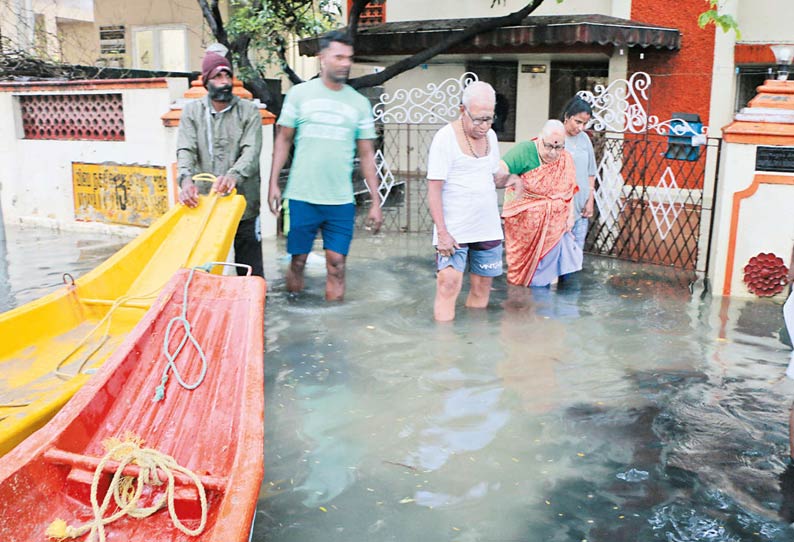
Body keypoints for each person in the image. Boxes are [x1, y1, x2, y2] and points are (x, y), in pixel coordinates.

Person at [267, 30, 383, 301]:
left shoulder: (358, 103)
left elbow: (367, 155)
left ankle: (333, 331)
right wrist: (273, 183)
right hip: (301, 197)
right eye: (338, 57)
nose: (345, 63)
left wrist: (376, 201)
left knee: (337, 265)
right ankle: (295, 321)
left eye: (349, 58)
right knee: (297, 261)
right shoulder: (299, 95)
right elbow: (283, 139)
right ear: (322, 58)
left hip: (340, 201)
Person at [426, 81, 513, 322]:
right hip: (454, 228)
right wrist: (442, 232)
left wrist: (514, 179)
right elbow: (434, 190)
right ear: (462, 110)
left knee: (482, 287)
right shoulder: (444, 139)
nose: (484, 126)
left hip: (486, 226)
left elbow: (493, 177)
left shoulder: (491, 137)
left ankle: (475, 343)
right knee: (448, 284)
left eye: (489, 118)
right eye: (478, 119)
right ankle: (444, 349)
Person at [176, 43, 264, 277]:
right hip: (206, 203)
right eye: (217, 76)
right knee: (205, 267)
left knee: (250, 271)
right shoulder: (192, 113)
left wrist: (233, 175)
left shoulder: (249, 111)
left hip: (244, 203)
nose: (224, 82)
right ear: (206, 82)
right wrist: (185, 180)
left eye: (227, 75)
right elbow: (185, 149)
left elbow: (251, 152)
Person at [499, 119, 581, 289]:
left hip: (555, 227)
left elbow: (569, 190)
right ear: (539, 139)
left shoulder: (565, 159)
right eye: (549, 146)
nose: (553, 152)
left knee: (550, 274)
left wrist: (570, 215)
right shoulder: (525, 150)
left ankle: (546, 301)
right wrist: (512, 180)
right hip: (524, 229)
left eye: (558, 147)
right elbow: (500, 169)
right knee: (520, 283)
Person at [561, 96, 597, 250]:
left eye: (585, 123)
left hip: (581, 206)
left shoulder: (584, 139)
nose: (581, 128)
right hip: (560, 207)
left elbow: (591, 172)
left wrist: (590, 200)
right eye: (578, 122)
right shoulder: (555, 137)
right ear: (567, 117)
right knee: (558, 253)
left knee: (575, 254)